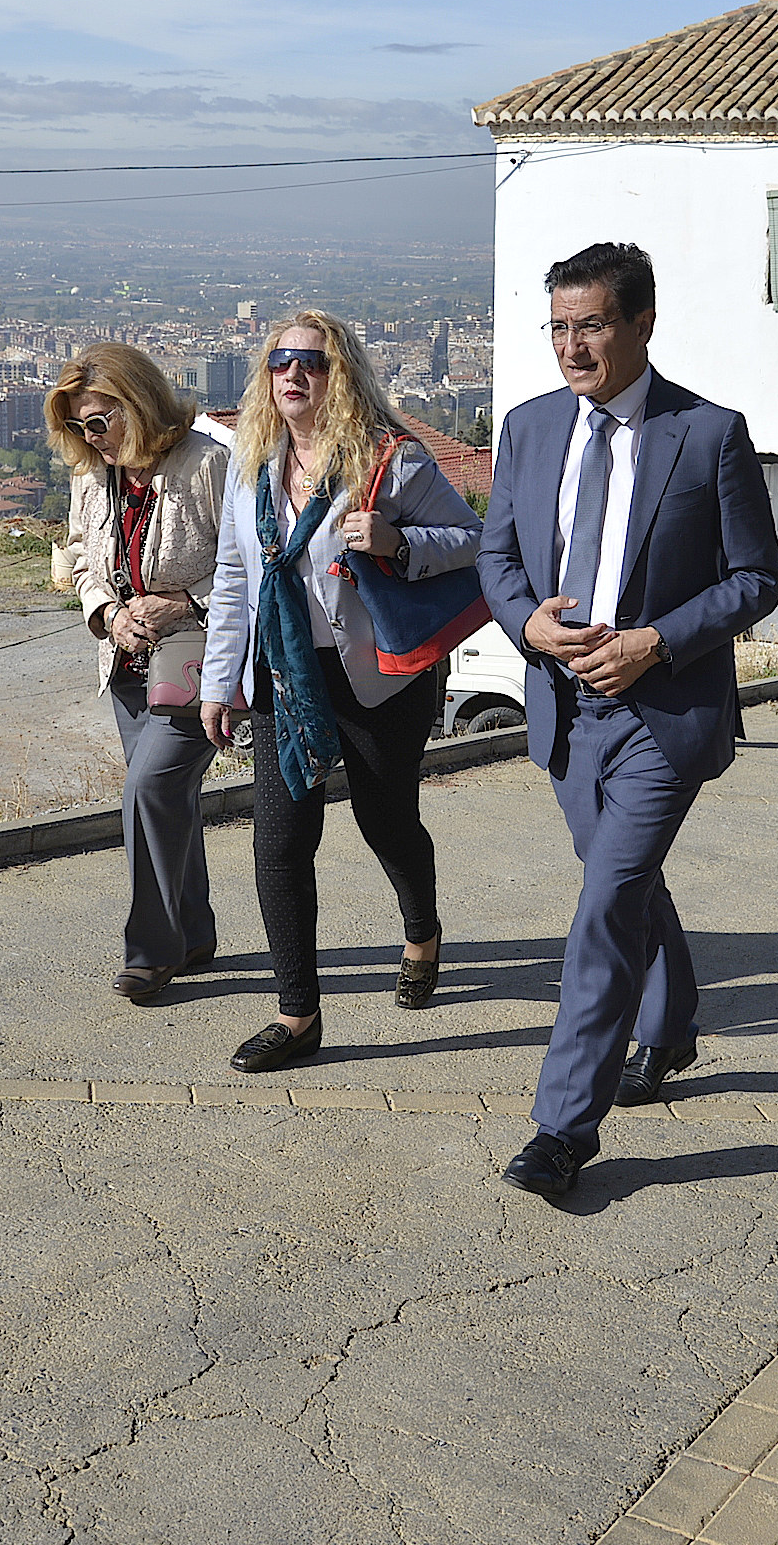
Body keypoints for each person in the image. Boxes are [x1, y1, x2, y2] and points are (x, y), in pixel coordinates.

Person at [476, 242, 778, 1198]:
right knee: (630, 885)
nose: (573, 348)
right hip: (566, 712)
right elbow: (498, 559)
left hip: (664, 713)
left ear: (642, 323)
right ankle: (673, 1024)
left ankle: (564, 1126)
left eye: (592, 326)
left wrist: (657, 640)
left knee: (607, 900)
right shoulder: (527, 429)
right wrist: (525, 621)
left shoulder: (708, 433)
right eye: (560, 328)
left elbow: (757, 579)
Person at [199, 311, 482, 1073]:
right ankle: (298, 1016)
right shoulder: (252, 465)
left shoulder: (394, 460)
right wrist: (218, 682)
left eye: (311, 363)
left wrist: (398, 541)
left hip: (377, 677)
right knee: (280, 843)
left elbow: (473, 543)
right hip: (285, 677)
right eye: (280, 362)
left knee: (386, 820)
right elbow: (234, 580)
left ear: (342, 374)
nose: (293, 375)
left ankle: (422, 931)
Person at [50, 344, 229, 1003]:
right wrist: (105, 612)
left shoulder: (207, 466)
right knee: (166, 800)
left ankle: (151, 951)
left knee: (146, 791)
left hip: (197, 663)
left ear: (142, 403)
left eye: (100, 420)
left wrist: (183, 603)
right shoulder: (91, 475)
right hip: (127, 665)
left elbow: (250, 565)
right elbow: (80, 554)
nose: (89, 437)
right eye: (78, 425)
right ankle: (196, 930)